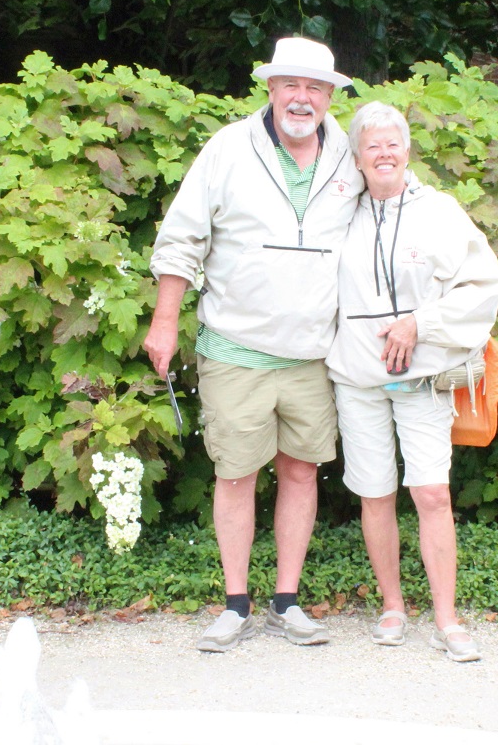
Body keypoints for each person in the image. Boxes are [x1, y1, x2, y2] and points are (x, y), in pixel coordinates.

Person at [145, 37, 364, 652]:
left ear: (330, 96)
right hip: (235, 347)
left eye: (315, 87)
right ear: (270, 88)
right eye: (291, 84)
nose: (302, 98)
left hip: (313, 353)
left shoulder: (349, 155)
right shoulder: (228, 148)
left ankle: (286, 603)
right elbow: (182, 237)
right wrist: (165, 320)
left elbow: (395, 208)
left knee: (301, 471)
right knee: (236, 474)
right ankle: (235, 605)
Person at [325, 101, 498, 662]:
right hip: (357, 378)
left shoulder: (439, 212)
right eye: (371, 146)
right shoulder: (338, 213)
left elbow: (482, 284)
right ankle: (393, 606)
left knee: (431, 492)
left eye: (392, 143)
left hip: (421, 378)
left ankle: (447, 619)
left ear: (407, 151)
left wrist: (418, 323)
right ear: (357, 158)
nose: (383, 153)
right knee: (375, 493)